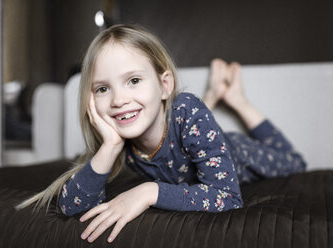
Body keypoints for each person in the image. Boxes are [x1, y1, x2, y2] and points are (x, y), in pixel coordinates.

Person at [16, 24, 306, 243]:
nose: (118, 100)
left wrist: (149, 191)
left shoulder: (187, 110)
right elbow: (70, 206)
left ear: (165, 85)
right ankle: (214, 98)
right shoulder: (120, 141)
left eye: (133, 80)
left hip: (238, 153)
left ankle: (235, 99)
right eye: (103, 89)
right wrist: (109, 147)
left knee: (294, 161)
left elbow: (227, 197)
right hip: (195, 136)